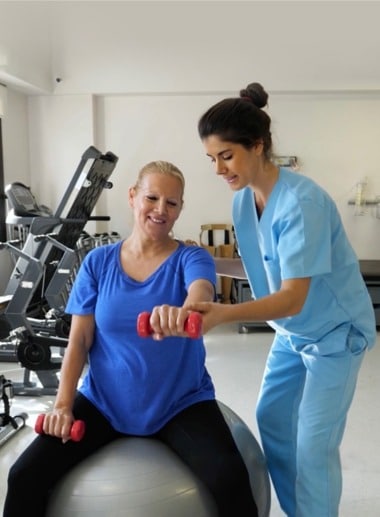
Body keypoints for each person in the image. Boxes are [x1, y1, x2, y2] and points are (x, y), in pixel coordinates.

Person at [3, 160, 258, 517]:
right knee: (24, 475)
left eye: (172, 203)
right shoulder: (98, 262)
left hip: (180, 403)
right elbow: (78, 341)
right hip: (104, 402)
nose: (160, 209)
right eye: (152, 197)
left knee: (229, 477)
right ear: (133, 196)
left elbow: (200, 293)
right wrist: (62, 404)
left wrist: (184, 312)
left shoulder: (191, 256)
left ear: (181, 208)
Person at [184, 83, 377, 517]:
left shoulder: (301, 203)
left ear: (257, 146)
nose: (218, 169)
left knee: (314, 441)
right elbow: (263, 273)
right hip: (293, 332)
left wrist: (223, 314)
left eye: (226, 155)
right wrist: (200, 259)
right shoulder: (242, 203)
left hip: (334, 333)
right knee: (271, 419)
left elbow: (291, 296)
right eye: (211, 158)